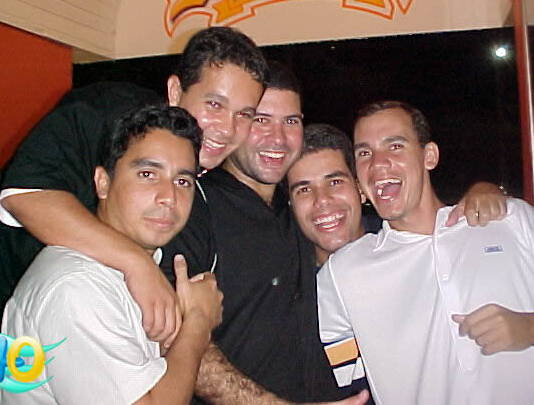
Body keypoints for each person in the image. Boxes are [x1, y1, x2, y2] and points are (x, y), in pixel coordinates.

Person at [161, 64, 507, 404]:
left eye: (335, 182)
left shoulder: (405, 248)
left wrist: (483, 192)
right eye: (261, 120)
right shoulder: (212, 213)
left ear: (361, 187)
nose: (322, 202)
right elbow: (170, 335)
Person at [0, 26, 265, 349]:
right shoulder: (107, 113)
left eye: (244, 115)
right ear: (176, 92)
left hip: (45, 348)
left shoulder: (196, 188)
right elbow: (26, 196)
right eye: (214, 105)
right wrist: (136, 263)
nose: (227, 129)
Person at [314, 101, 534, 404]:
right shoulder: (344, 272)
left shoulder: (511, 220)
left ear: (429, 156)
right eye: (364, 153)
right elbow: (312, 369)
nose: (378, 164)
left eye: (395, 146)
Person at [0, 104, 223, 404]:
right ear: (102, 183)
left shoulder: (129, 274)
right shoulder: (78, 287)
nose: (169, 197)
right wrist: (198, 322)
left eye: (182, 181)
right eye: (147, 174)